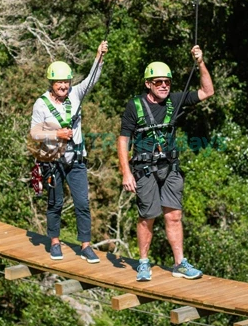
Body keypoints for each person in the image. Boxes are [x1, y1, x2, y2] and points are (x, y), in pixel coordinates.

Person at [117, 45, 214, 281]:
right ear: (148, 84)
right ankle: (143, 263)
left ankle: (180, 263)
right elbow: (123, 140)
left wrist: (200, 63)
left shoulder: (175, 100)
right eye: (158, 82)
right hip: (144, 169)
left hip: (170, 167)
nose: (163, 86)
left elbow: (207, 91)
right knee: (147, 216)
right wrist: (126, 172)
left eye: (167, 82)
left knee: (174, 216)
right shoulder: (135, 106)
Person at [29, 41, 108, 263]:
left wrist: (99, 56)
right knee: (55, 203)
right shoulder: (41, 104)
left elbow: (92, 79)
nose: (63, 86)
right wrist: (56, 134)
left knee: (82, 203)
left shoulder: (75, 94)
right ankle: (55, 242)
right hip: (53, 160)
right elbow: (35, 132)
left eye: (66, 82)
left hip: (76, 160)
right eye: (59, 83)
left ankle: (86, 246)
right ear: (52, 83)